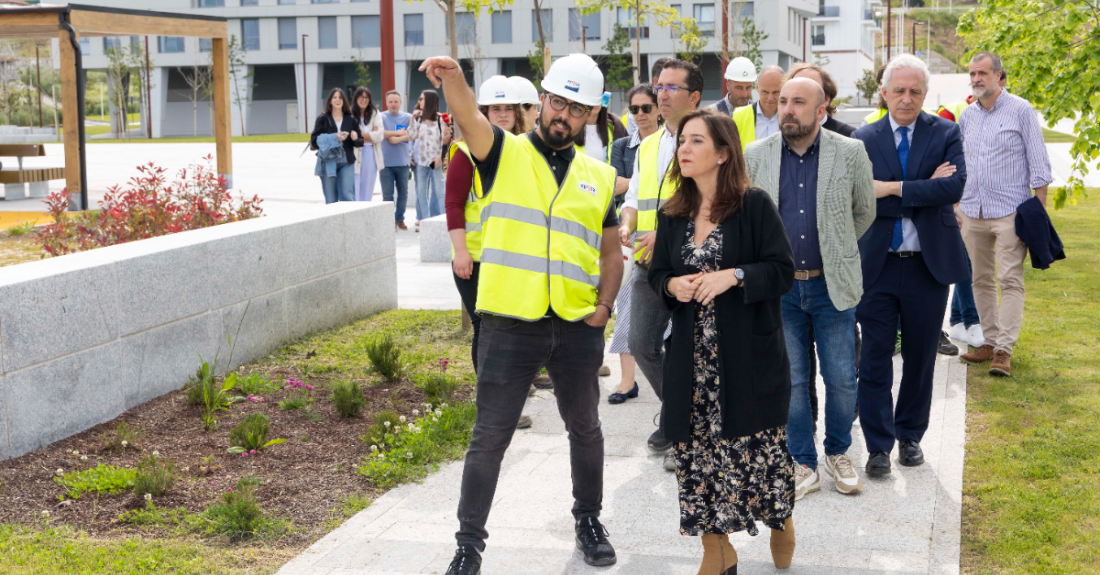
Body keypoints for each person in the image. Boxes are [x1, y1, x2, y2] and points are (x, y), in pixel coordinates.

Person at [420, 52, 622, 575]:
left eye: (576, 108)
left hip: (577, 325)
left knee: (586, 429)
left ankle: (589, 520)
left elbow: (609, 252)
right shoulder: (500, 152)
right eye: (557, 102)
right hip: (510, 322)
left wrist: (603, 307)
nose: (563, 115)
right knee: (490, 437)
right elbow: (467, 116)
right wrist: (457, 80)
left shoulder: (599, 176)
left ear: (590, 116)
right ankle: (468, 545)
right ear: (543, 102)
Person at [649, 109, 797, 574]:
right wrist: (673, 286)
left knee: (758, 456)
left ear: (723, 153)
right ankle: (717, 551)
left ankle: (781, 520)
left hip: (747, 360)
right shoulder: (672, 211)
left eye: (696, 141)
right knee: (698, 457)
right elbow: (657, 273)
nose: (684, 149)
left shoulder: (753, 205)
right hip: (692, 363)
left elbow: (782, 271)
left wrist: (734, 276)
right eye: (682, 141)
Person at [743, 78, 875, 501]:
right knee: (794, 381)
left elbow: (864, 212)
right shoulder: (756, 155)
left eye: (799, 102)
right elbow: (749, 219)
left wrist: (833, 250)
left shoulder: (850, 151)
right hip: (780, 292)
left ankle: (838, 452)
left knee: (840, 379)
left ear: (822, 110)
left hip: (831, 285)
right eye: (783, 101)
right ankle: (802, 461)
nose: (787, 109)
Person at [851, 54, 969, 478]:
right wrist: (924, 189)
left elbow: (954, 185)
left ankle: (911, 438)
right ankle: (878, 447)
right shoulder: (863, 138)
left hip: (927, 267)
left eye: (915, 91)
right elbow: (863, 197)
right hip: (877, 266)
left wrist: (893, 189)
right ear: (883, 93)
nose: (906, 98)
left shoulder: (946, 131)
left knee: (920, 357)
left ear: (925, 94)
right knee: (876, 358)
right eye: (898, 90)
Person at [620, 59, 704, 469]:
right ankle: (679, 416)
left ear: (694, 97)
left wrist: (666, 235)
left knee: (691, 350)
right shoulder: (649, 143)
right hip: (648, 263)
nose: (661, 94)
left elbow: (712, 203)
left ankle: (683, 430)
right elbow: (636, 194)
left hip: (693, 266)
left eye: (672, 87)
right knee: (640, 343)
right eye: (660, 86)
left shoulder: (710, 140)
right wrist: (627, 220)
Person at [445, 75, 534, 428]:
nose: (501, 115)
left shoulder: (522, 149)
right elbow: (453, 204)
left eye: (507, 109)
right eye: (494, 108)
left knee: (509, 331)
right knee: (487, 331)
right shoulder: (467, 151)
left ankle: (505, 401)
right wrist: (460, 252)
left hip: (510, 258)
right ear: (482, 111)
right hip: (476, 260)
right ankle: (495, 407)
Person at [957, 51, 1052, 377]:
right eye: (972, 73)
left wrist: (1037, 212)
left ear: (999, 76)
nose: (976, 79)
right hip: (972, 210)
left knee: (1009, 279)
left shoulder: (1021, 110)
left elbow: (1039, 163)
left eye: (982, 73)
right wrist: (956, 205)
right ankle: (988, 341)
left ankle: (1003, 351)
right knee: (978, 279)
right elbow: (958, 162)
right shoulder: (967, 115)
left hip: (1010, 211)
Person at [606, 83, 661, 404]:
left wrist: (633, 184)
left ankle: (666, 377)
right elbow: (615, 185)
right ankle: (627, 381)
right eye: (634, 109)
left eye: (646, 108)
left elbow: (630, 186)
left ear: (657, 109)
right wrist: (636, 183)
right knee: (626, 305)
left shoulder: (669, 142)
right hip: (629, 236)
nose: (640, 114)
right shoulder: (624, 146)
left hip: (664, 236)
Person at [309, 87, 362, 204]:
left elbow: (360, 142)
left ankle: (349, 222)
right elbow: (313, 141)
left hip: (346, 161)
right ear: (330, 101)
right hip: (328, 161)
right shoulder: (323, 118)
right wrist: (334, 137)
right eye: (335, 97)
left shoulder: (350, 119)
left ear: (344, 101)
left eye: (340, 98)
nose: (338, 100)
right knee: (331, 199)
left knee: (347, 196)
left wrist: (355, 138)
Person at [409, 89, 450, 228]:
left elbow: (448, 141)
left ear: (430, 101)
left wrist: (439, 159)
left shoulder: (441, 119)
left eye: (422, 99)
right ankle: (426, 224)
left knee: (440, 192)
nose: (419, 102)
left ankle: (445, 223)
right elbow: (411, 135)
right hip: (422, 163)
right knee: (421, 194)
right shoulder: (419, 120)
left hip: (437, 162)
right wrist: (411, 118)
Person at [724, 65, 785, 152]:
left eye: (775, 92)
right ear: (757, 87)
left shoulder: (791, 117)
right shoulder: (737, 117)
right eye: (765, 92)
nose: (770, 98)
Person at [786, 62, 854, 137]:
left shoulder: (850, 137)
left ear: (826, 99)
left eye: (808, 88)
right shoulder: (781, 137)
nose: (799, 94)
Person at [379, 91, 414, 229]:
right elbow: (379, 134)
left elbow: (413, 134)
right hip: (385, 163)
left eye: (396, 101)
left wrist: (397, 138)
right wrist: (398, 133)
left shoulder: (408, 117)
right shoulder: (380, 117)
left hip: (403, 162)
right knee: (387, 195)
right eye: (390, 102)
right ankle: (388, 221)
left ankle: (399, 218)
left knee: (403, 194)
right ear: (386, 103)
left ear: (400, 103)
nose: (393, 104)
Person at [351, 87, 384, 201]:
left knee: (368, 185)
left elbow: (379, 135)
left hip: (370, 153)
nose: (363, 100)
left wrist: (359, 134)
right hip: (354, 152)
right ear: (356, 99)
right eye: (361, 97)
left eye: (366, 97)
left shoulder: (375, 113)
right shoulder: (350, 113)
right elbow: (350, 136)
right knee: (354, 185)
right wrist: (370, 134)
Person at [576, 99, 628, 164]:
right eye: (592, 93)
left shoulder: (615, 127)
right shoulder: (569, 126)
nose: (596, 99)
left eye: (599, 94)